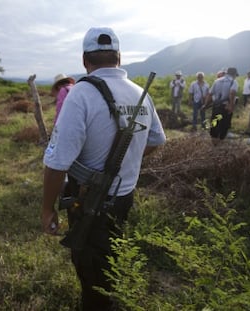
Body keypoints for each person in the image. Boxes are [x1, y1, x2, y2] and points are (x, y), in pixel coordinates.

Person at [41, 27, 166, 311]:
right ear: (119, 58)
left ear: (85, 59)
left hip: (89, 199)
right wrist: (129, 160)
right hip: (124, 197)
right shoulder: (140, 93)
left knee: (89, 266)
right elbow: (157, 139)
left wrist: (47, 209)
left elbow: (57, 161)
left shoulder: (81, 94)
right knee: (109, 255)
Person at [205, 67, 239, 145]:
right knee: (224, 126)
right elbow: (232, 93)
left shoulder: (217, 81)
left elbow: (210, 94)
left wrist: (205, 105)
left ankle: (214, 144)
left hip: (216, 107)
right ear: (234, 74)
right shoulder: (233, 82)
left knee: (214, 125)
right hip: (225, 108)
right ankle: (220, 145)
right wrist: (231, 106)